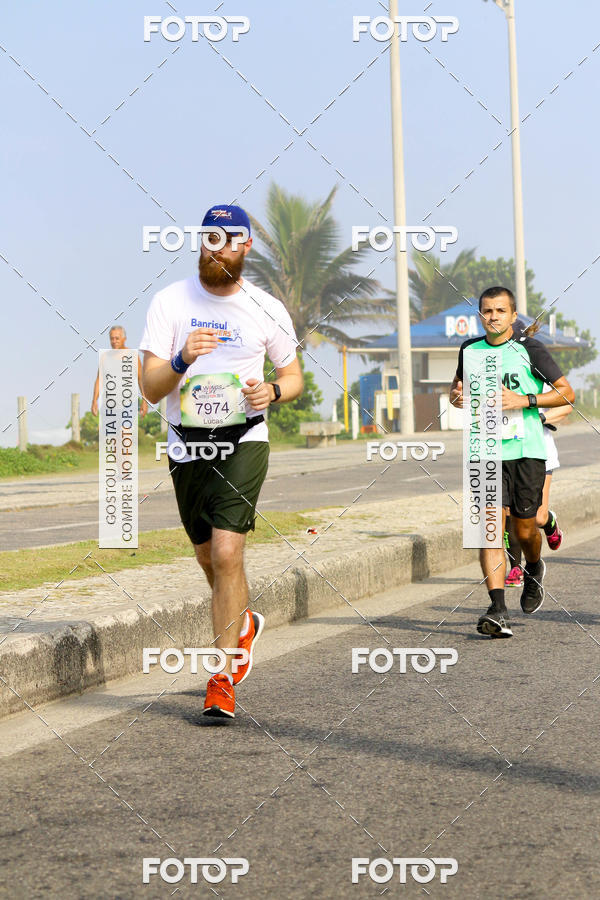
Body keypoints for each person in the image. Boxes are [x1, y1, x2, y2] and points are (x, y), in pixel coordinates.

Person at [140, 204, 303, 717]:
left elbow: (293, 376)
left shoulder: (267, 308)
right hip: (187, 444)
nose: (217, 247)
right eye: (209, 238)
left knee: (230, 554)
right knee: (209, 558)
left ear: (246, 245)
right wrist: (183, 358)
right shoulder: (170, 302)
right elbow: (149, 388)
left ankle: (222, 677)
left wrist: (272, 392)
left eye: (228, 238)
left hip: (245, 439)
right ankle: (243, 623)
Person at [450, 286, 575, 638]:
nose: (493, 317)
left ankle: (534, 567)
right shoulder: (469, 350)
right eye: (487, 311)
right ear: (480, 315)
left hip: (527, 451)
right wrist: (456, 397)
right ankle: (497, 609)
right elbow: (457, 389)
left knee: (524, 529)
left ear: (513, 315)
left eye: (500, 311)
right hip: (485, 451)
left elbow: (567, 392)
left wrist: (525, 400)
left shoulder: (529, 349)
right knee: (489, 531)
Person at [504, 320, 571, 586]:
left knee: (537, 517)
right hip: (507, 450)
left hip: (539, 450)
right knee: (509, 514)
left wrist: (539, 418)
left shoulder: (541, 372)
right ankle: (515, 567)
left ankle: (550, 521)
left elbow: (565, 405)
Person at [92, 326, 148, 417]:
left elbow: (141, 379)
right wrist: (94, 400)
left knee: (125, 430)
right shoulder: (105, 357)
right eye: (112, 339)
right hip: (110, 405)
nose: (114, 341)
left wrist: (145, 401)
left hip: (129, 404)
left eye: (117, 338)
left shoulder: (132, 355)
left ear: (124, 339)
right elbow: (99, 380)